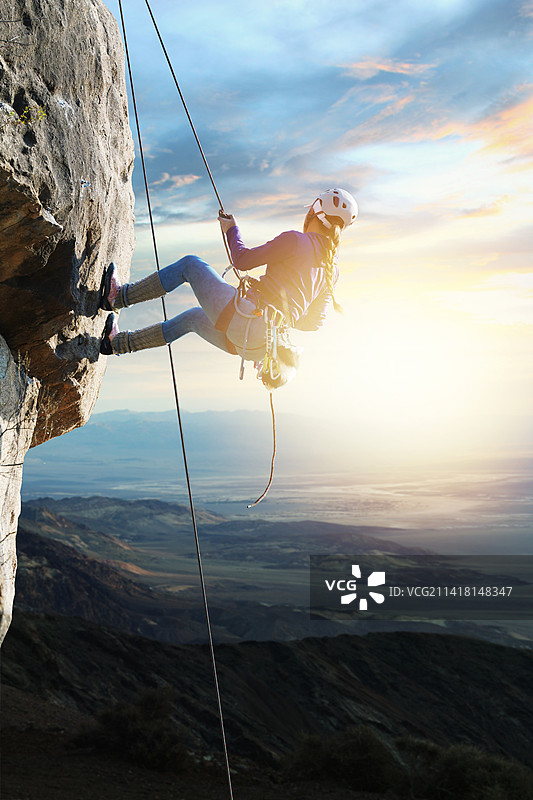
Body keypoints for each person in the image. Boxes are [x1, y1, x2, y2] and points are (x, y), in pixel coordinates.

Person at [99, 188, 358, 388]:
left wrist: (231, 230)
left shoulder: (296, 241)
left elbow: (242, 261)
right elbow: (313, 323)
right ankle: (118, 343)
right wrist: (279, 318)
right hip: (259, 347)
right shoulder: (331, 270)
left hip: (247, 321)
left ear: (314, 211)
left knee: (191, 265)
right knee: (191, 319)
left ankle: (118, 297)